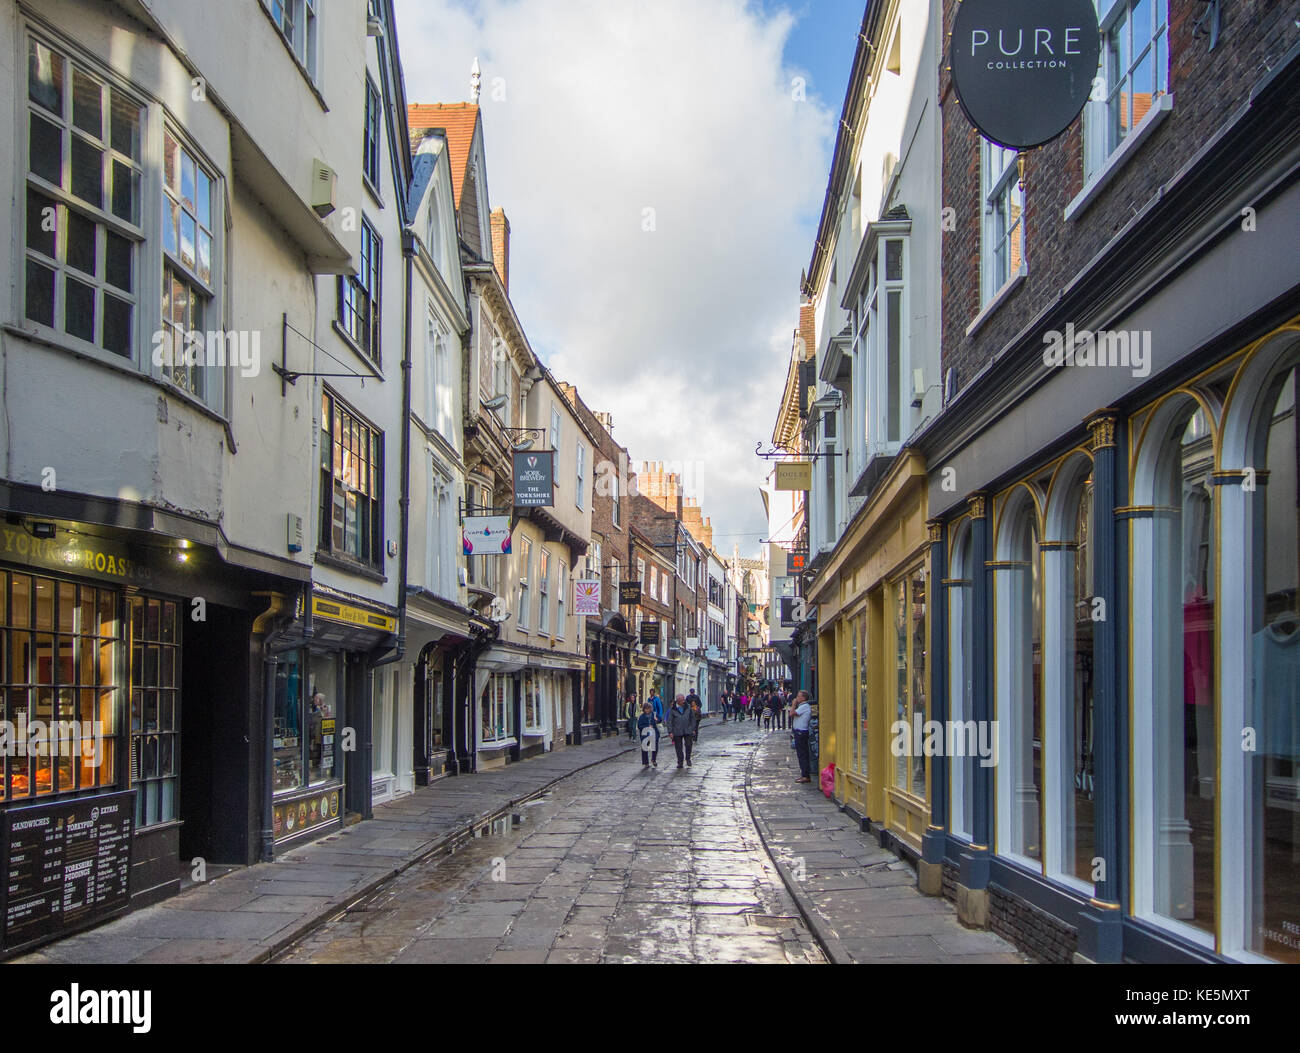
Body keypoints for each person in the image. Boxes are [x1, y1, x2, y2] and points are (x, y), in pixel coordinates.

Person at [790, 691, 813, 783]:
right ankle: (804, 774)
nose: (797, 698)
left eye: (799, 696)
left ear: (803, 698)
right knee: (801, 754)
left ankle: (805, 775)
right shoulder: (803, 707)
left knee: (802, 754)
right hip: (799, 732)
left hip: (801, 733)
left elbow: (791, 713)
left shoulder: (804, 707)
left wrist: (793, 704)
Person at [667, 695, 694, 768]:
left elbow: (692, 718)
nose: (684, 701)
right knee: (678, 747)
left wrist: (692, 728)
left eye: (684, 699)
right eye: (682, 700)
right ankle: (680, 762)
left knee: (689, 744)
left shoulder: (688, 707)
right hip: (677, 730)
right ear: (678, 701)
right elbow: (669, 721)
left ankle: (688, 759)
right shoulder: (673, 709)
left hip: (687, 729)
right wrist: (670, 732)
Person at [636, 701, 660, 770]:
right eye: (646, 708)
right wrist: (647, 726)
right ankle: (645, 762)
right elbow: (639, 726)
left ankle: (653, 759)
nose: (647, 710)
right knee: (644, 748)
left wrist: (657, 720)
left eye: (649, 708)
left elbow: (660, 719)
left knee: (655, 746)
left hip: (654, 733)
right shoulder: (642, 717)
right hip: (645, 734)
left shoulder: (654, 714)